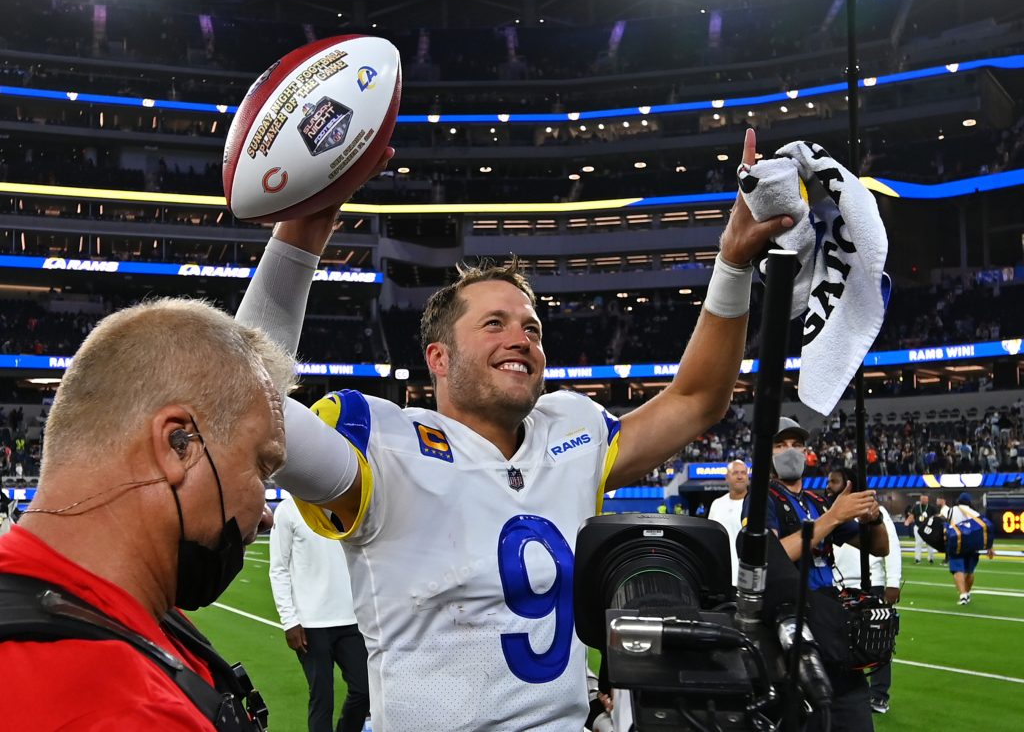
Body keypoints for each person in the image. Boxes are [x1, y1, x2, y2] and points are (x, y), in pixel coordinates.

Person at [235, 130, 795, 731]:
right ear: (439, 357)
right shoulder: (381, 444)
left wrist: (734, 262)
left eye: (532, 328)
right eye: (494, 323)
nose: (521, 339)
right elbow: (243, 402)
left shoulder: (572, 430)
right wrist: (301, 235)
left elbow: (697, 399)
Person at [0, 298, 293, 731]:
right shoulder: (125, 709)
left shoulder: (92, 603)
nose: (266, 515)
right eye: (261, 467)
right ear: (180, 445)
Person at [743, 417, 889, 732]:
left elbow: (879, 548)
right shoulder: (762, 499)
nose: (789, 451)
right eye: (780, 445)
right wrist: (834, 517)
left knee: (852, 713)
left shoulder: (816, 501)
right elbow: (768, 555)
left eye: (796, 444)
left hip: (829, 622)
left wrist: (873, 518)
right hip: (790, 624)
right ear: (768, 454)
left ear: (807, 451)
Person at [270, 496, 370, 732]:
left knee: (364, 691)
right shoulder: (288, 510)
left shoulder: (345, 505)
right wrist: (289, 621)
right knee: (322, 699)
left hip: (352, 619)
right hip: (310, 624)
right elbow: (278, 569)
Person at [829, 469, 902, 715]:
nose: (829, 485)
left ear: (848, 483)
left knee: (877, 641)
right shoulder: (830, 512)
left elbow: (890, 547)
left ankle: (879, 695)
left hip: (871, 584)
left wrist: (893, 582)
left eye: (834, 481)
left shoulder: (873, 511)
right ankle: (849, 692)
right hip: (839, 586)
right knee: (845, 644)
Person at [947, 492, 996, 605]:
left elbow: (948, 525)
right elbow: (985, 529)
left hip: (958, 543)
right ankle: (967, 593)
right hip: (973, 545)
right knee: (969, 571)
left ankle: (963, 595)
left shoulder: (952, 510)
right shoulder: (975, 513)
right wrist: (990, 547)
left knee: (958, 569)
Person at [707, 459, 749, 584]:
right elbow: (710, 538)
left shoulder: (755, 505)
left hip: (746, 575)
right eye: (735, 473)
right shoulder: (717, 504)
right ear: (727, 477)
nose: (740, 476)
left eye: (743, 473)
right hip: (721, 573)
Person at [903, 493, 936, 564]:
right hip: (918, 527)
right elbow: (912, 516)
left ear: (928, 499)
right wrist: (907, 521)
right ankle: (917, 559)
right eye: (923, 499)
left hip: (928, 528)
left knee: (929, 543)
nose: (924, 500)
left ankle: (931, 558)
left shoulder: (931, 508)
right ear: (920, 499)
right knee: (918, 543)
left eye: (925, 499)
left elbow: (935, 517)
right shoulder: (916, 507)